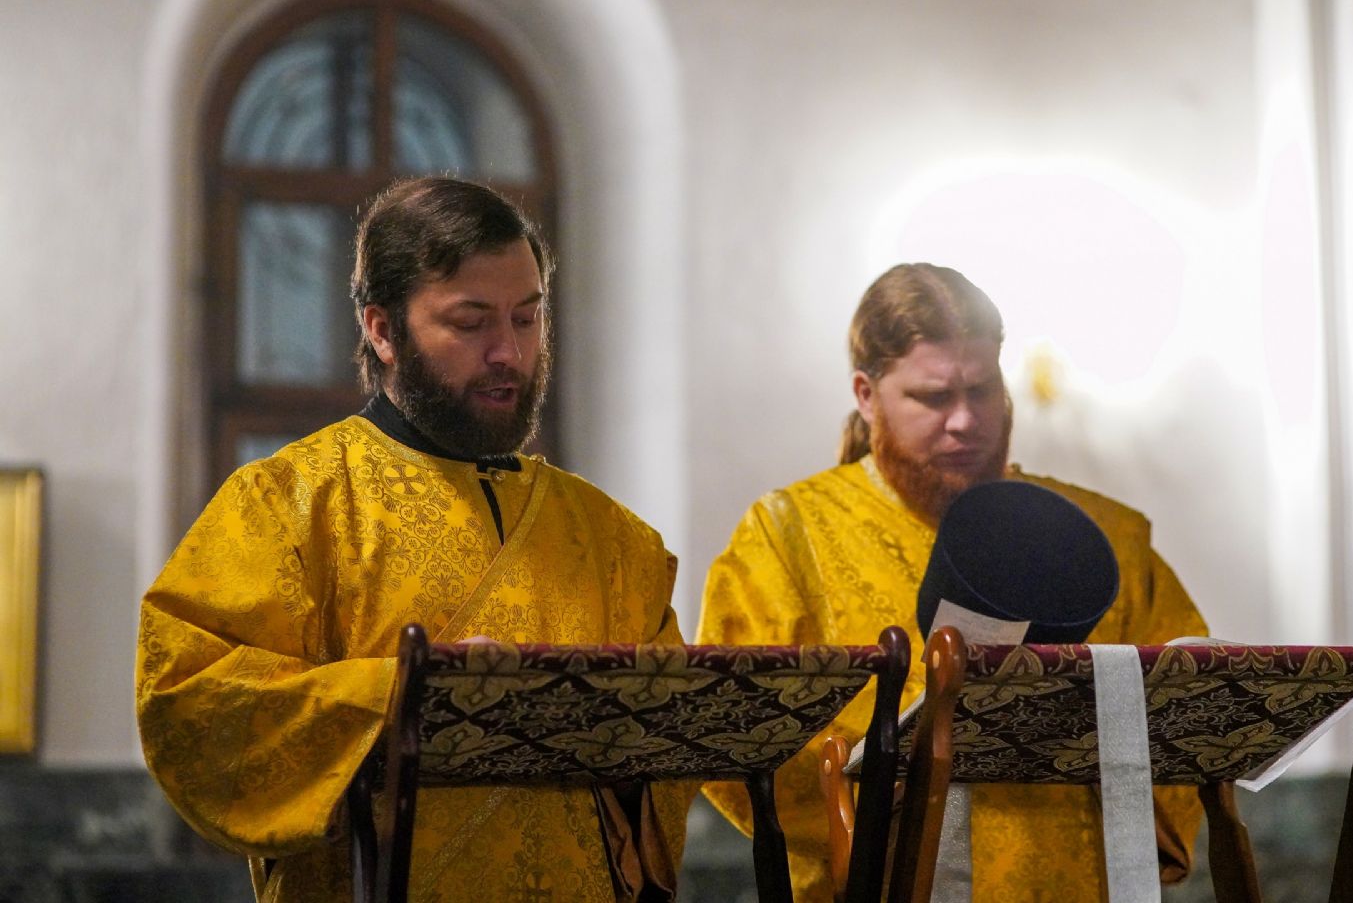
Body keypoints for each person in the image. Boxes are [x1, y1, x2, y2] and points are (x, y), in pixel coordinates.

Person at [136, 178, 690, 903]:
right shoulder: (286, 505)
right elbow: (190, 702)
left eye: (527, 318)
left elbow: (670, 754)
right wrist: (406, 695)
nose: (508, 351)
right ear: (382, 330)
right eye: (470, 322)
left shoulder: (614, 539)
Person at [696, 263, 1207, 902]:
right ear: (866, 395)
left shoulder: (1110, 538)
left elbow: (1190, 708)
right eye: (934, 398)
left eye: (983, 390)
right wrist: (873, 800)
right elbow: (732, 729)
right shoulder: (786, 537)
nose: (965, 420)